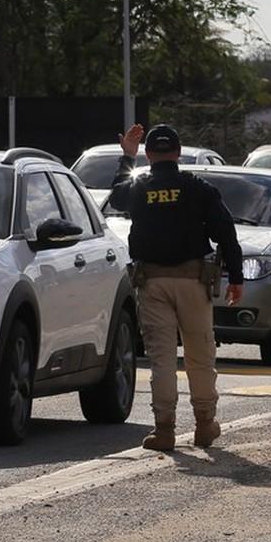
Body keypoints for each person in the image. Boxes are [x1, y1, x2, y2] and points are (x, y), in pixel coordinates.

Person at [110, 123, 243, 451]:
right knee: (200, 355)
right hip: (193, 282)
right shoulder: (197, 188)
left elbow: (116, 198)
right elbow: (226, 233)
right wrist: (236, 278)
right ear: (179, 153)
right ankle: (204, 424)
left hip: (152, 283)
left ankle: (165, 430)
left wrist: (127, 157)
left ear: (148, 154)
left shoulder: (140, 187)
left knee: (162, 359)